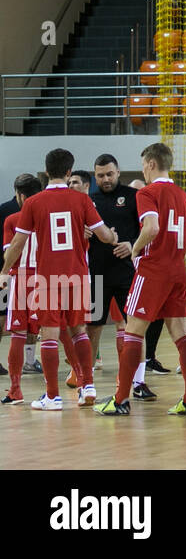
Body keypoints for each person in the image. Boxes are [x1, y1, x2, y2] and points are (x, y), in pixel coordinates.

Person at [0, 149, 119, 411]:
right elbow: (101, 235)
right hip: (77, 276)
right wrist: (111, 235)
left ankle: (52, 396)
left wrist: (5, 270)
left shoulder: (33, 203)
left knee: (50, 336)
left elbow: (18, 244)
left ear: (46, 172)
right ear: (68, 172)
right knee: (79, 332)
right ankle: (87, 385)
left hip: (47, 279)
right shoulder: (81, 201)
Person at [95, 143, 186, 417]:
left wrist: (136, 248)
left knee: (133, 332)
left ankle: (120, 400)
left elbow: (151, 227)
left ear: (151, 164)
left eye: (144, 164)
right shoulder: (183, 196)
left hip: (153, 270)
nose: (143, 168)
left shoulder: (148, 192)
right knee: (180, 332)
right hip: (177, 270)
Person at [87, 155, 155, 399]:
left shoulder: (135, 197)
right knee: (92, 328)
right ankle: (87, 382)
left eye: (109, 174)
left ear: (118, 172)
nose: (105, 179)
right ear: (95, 176)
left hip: (128, 274)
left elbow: (148, 230)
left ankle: (138, 382)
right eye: (100, 175)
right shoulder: (88, 201)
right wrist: (82, 232)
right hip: (97, 275)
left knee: (135, 328)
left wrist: (132, 245)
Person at [3, 174, 44, 404]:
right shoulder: (49, 216)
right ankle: (80, 383)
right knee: (58, 333)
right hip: (48, 279)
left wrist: (3, 271)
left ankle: (15, 390)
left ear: (19, 195)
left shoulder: (12, 219)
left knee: (17, 335)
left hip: (20, 279)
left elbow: (10, 252)